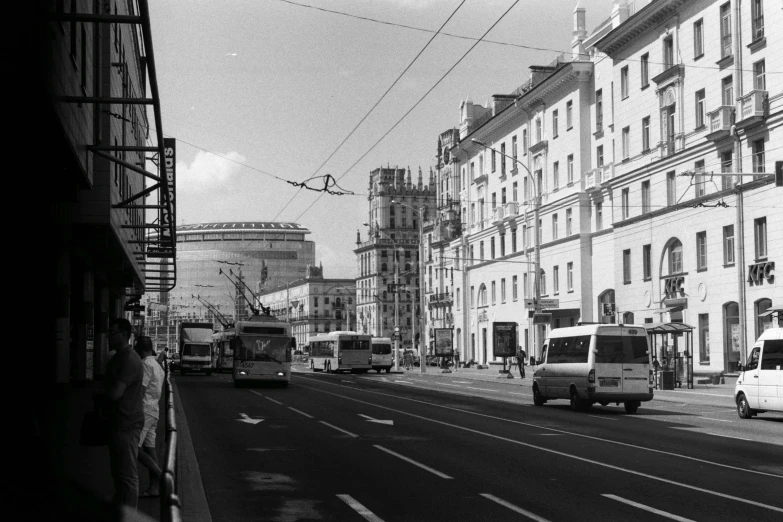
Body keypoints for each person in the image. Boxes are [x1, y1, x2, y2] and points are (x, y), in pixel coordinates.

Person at [98, 318, 145, 509]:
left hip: (127, 423)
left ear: (124, 334)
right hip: (118, 422)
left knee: (127, 474)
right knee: (119, 471)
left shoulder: (128, 359)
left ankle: (130, 514)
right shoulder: (118, 357)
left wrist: (100, 394)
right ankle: (121, 508)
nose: (109, 335)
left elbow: (116, 392)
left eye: (113, 332)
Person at [135, 336, 164, 498]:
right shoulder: (158, 366)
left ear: (140, 349)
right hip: (154, 410)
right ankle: (154, 488)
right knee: (149, 448)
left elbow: (141, 389)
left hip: (144, 410)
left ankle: (161, 475)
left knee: (133, 448)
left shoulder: (146, 364)